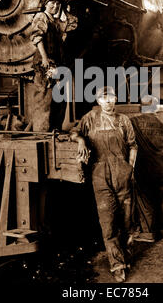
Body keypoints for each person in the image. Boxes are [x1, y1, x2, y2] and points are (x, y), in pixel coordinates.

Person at [70, 86, 137, 283]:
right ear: (98, 101)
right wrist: (81, 140)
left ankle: (126, 256)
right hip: (100, 176)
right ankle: (117, 265)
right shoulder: (90, 118)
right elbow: (74, 132)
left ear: (116, 100)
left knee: (126, 221)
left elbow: (133, 145)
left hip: (123, 174)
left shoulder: (124, 121)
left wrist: (130, 168)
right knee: (108, 222)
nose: (108, 101)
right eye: (104, 98)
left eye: (111, 98)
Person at [30, 0, 77, 131]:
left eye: (57, 4)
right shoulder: (41, 17)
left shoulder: (56, 22)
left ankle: (55, 129)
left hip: (58, 64)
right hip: (46, 64)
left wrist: (64, 9)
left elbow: (72, 24)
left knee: (59, 98)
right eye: (52, 3)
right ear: (45, 4)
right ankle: (42, 131)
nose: (55, 6)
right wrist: (44, 58)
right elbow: (37, 38)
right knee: (44, 98)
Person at [130, 95, 163, 243]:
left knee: (145, 200)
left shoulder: (134, 122)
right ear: (155, 108)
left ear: (141, 107)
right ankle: (161, 230)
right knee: (162, 199)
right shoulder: (161, 124)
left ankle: (148, 233)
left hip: (145, 167)